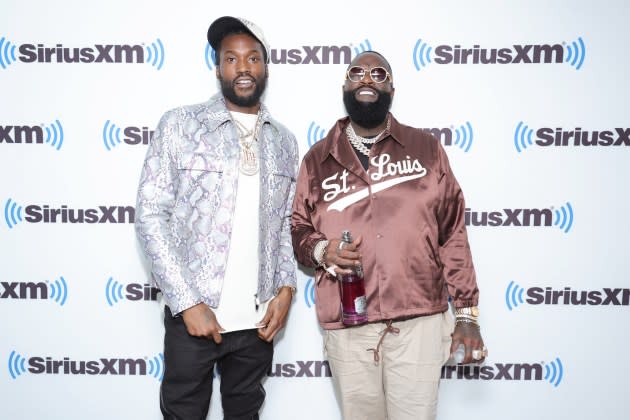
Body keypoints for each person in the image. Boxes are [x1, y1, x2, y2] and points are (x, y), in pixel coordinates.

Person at [290, 50, 486, 420]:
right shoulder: (317, 160)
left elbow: (453, 234)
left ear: (392, 89)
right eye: (357, 72)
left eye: (378, 73)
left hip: (418, 323)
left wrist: (467, 315)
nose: (367, 79)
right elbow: (299, 228)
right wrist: (321, 251)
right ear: (344, 86)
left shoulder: (426, 149)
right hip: (349, 326)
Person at [135, 16, 298, 420]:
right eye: (231, 59)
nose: (243, 68)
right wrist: (188, 303)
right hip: (195, 318)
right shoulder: (180, 125)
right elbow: (151, 215)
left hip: (256, 323)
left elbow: (283, 228)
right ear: (218, 68)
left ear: (265, 66)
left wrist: (286, 289)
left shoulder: (284, 140)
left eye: (253, 58)